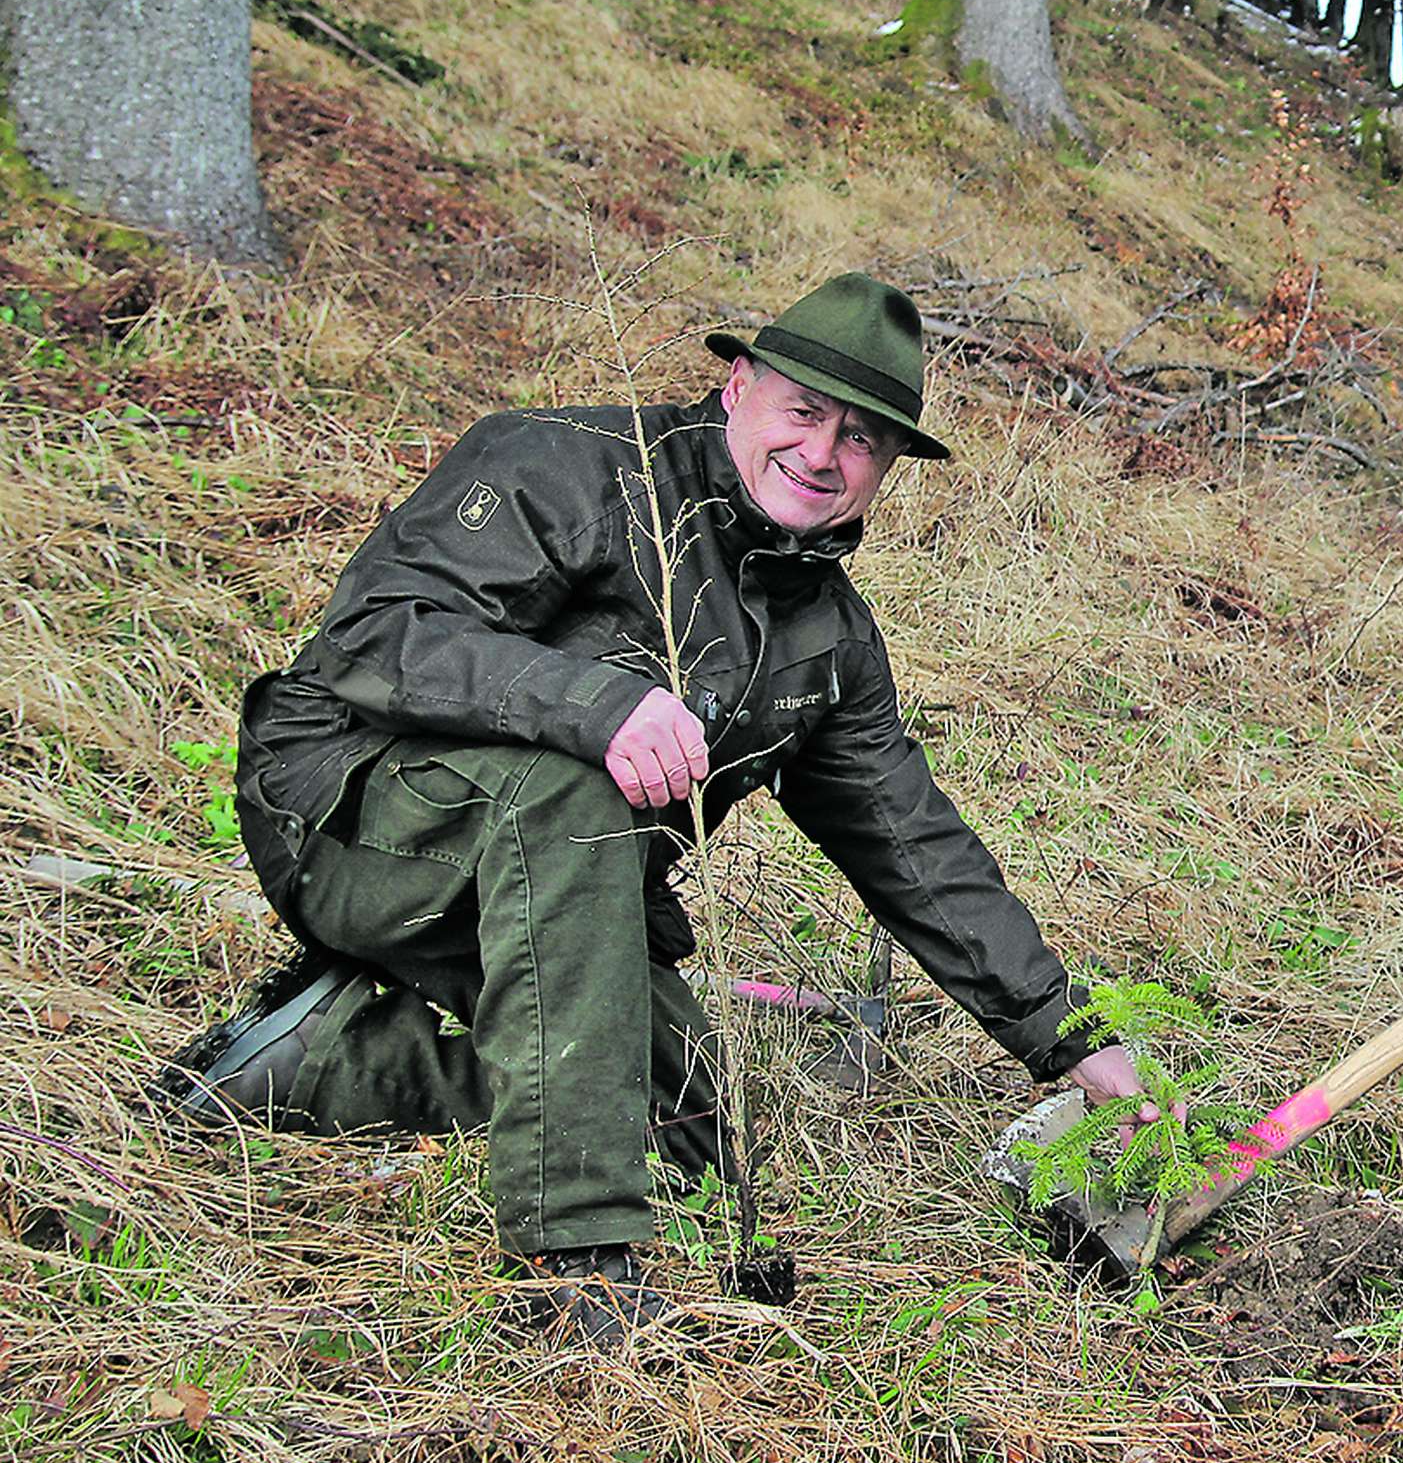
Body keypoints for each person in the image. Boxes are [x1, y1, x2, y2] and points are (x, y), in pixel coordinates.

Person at [163, 275, 1152, 1344]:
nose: (823, 455)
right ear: (738, 388)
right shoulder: (570, 467)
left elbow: (911, 843)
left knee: (685, 1111)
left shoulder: (825, 640)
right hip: (351, 819)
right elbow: (375, 635)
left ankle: (322, 1059)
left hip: (551, 891)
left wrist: (1070, 1036)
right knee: (572, 793)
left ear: (888, 469)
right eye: (805, 413)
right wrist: (594, 704)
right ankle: (580, 1260)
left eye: (861, 440)